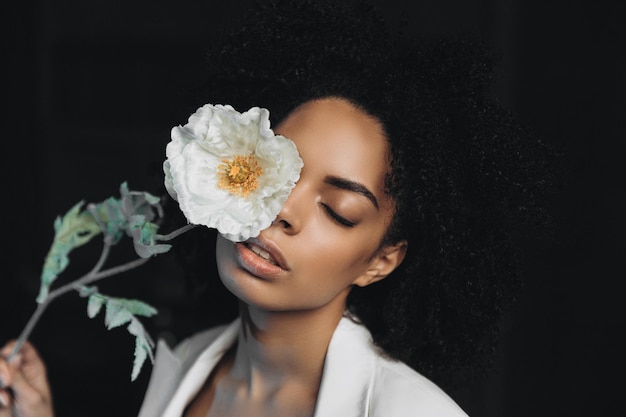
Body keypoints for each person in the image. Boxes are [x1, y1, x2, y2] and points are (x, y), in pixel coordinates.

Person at [0, 0, 557, 416]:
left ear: (380, 261)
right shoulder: (179, 366)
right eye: (273, 170)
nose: (280, 210)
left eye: (337, 209)